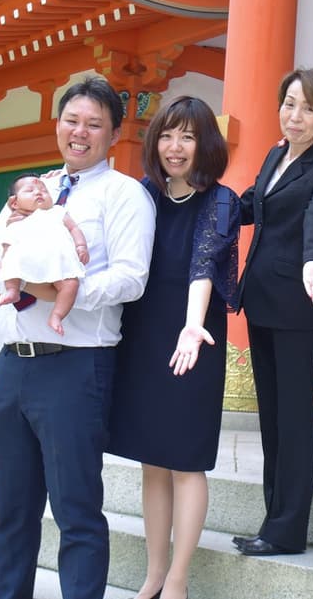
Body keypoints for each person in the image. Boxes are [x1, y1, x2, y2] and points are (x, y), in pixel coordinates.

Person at [0, 74, 155, 599]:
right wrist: (12, 228)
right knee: (12, 512)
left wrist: (54, 291)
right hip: (12, 366)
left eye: (94, 124)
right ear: (57, 125)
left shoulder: (124, 194)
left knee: (76, 512)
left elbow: (131, 279)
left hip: (76, 366)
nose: (80, 132)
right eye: (71, 120)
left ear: (114, 134)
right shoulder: (35, 191)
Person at [108, 96, 239, 599]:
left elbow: (203, 263)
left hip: (194, 338)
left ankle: (178, 581)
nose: (175, 146)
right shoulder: (143, 194)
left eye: (187, 136)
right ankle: (154, 575)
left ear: (206, 144)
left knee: (186, 459)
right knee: (152, 461)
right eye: (166, 135)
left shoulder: (221, 200)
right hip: (144, 336)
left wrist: (191, 326)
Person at [230, 68, 313, 557]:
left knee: (294, 420)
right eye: (289, 104)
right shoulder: (276, 154)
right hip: (260, 299)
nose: (295, 116)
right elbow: (251, 206)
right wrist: (202, 201)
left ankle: (287, 530)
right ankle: (272, 520)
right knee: (272, 419)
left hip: (295, 305)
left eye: (308, 109)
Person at [0, 175, 89, 335]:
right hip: (27, 262)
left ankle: (57, 315)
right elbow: (6, 253)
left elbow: (74, 228)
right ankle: (12, 291)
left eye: (44, 190)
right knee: (12, 266)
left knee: (71, 284)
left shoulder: (57, 211)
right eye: (30, 190)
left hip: (57, 262)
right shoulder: (16, 222)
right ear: (14, 203)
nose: (38, 192)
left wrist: (81, 245)